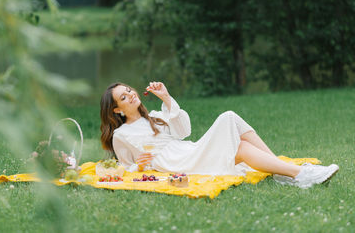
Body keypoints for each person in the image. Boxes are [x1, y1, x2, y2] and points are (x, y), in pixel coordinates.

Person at [100, 81, 339, 189]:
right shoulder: (122, 135)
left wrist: (166, 97)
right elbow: (125, 168)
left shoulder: (154, 114)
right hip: (176, 163)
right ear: (117, 110)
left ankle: (287, 172)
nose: (130, 95)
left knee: (241, 143)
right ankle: (299, 174)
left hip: (186, 151)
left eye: (129, 90)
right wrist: (138, 167)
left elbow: (184, 131)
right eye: (123, 97)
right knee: (228, 118)